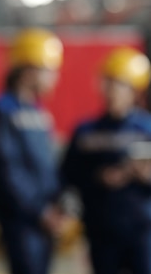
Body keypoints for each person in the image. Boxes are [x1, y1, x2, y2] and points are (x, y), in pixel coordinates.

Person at [0, 28, 65, 274]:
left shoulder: (38, 112)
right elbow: (6, 172)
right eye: (49, 70)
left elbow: (46, 167)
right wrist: (41, 212)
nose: (54, 77)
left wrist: (58, 207)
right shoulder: (1, 114)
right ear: (27, 71)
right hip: (22, 222)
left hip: (47, 218)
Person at [60, 46, 151, 274]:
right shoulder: (86, 131)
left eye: (119, 85)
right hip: (101, 229)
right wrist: (98, 177)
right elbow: (68, 173)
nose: (112, 91)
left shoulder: (147, 128)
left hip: (142, 229)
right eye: (108, 83)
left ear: (134, 91)